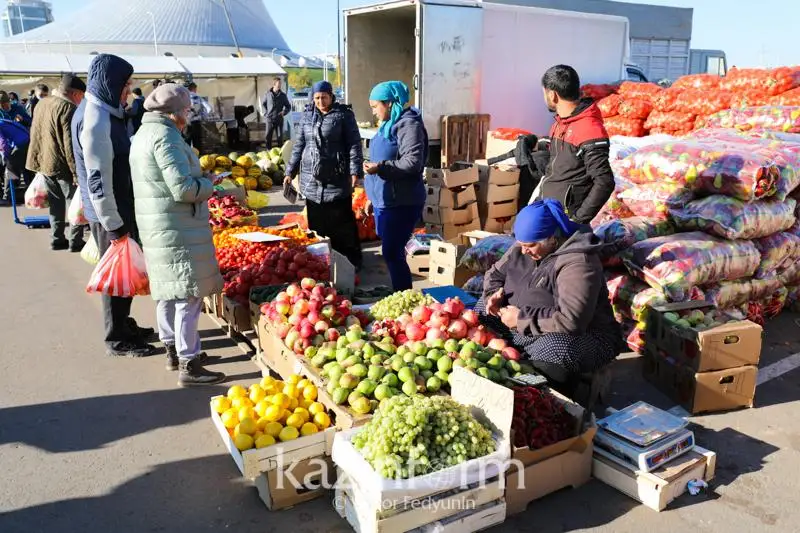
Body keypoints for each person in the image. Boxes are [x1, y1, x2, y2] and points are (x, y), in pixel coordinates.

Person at [477, 199, 624, 400]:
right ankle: (512, 361)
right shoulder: (523, 247)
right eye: (521, 244)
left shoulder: (578, 263)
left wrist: (521, 319)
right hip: (524, 324)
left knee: (555, 349)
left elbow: (570, 320)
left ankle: (546, 396)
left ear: (552, 239)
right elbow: (494, 275)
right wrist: (492, 296)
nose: (523, 251)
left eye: (530, 246)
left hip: (581, 335)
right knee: (480, 308)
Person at [130, 84, 226, 386]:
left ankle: (172, 350)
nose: (188, 115)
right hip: (177, 227)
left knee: (167, 290)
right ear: (173, 113)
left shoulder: (143, 133)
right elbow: (183, 189)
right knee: (188, 293)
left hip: (159, 225)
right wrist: (208, 184)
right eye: (186, 110)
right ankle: (189, 363)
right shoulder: (166, 138)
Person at [73, 53, 156, 358]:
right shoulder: (95, 119)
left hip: (117, 206)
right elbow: (97, 179)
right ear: (110, 83)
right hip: (110, 212)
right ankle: (117, 338)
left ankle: (124, 323)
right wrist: (114, 225)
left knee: (125, 272)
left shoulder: (103, 110)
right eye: (126, 84)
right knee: (115, 275)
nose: (128, 91)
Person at [285, 81, 363, 268]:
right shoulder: (307, 116)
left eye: (324, 97)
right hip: (311, 179)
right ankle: (323, 263)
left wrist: (355, 171)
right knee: (318, 224)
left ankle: (350, 262)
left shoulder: (343, 115)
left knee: (341, 223)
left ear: (331, 96)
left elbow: (354, 144)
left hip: (336, 177)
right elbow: (299, 145)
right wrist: (290, 171)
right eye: (317, 98)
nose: (321, 101)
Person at [530, 65, 615, 224]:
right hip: (548, 210)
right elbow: (561, 164)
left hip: (565, 219)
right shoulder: (559, 123)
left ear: (552, 95)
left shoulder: (589, 128)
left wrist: (577, 221)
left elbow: (604, 182)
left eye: (544, 93)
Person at [363, 81, 427, 290]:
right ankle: (400, 294)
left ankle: (404, 296)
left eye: (375, 106)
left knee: (392, 252)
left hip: (401, 201)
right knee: (391, 252)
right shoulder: (389, 123)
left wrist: (379, 168)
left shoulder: (409, 125)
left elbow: (412, 162)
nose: (373, 112)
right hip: (385, 199)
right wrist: (372, 197)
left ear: (389, 103)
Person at [26, 74, 87, 251]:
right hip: (63, 165)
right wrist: (76, 172)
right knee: (75, 203)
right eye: (81, 96)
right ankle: (75, 241)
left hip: (45, 162)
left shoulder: (42, 103)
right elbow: (70, 144)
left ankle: (57, 238)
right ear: (75, 94)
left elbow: (35, 134)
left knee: (55, 203)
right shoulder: (68, 108)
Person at [0, 118, 30, 206]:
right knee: (26, 168)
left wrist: (7, 158)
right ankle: (30, 194)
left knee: (10, 169)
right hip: (27, 140)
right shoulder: (2, 121)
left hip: (21, 143)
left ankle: (7, 198)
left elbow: (3, 144)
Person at [263, 77, 291, 149]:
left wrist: (284, 112)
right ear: (274, 84)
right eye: (278, 84)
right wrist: (266, 113)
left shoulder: (283, 95)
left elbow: (288, 106)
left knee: (279, 138)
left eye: (280, 83)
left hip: (279, 119)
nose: (280, 85)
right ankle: (268, 151)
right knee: (268, 137)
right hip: (269, 119)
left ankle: (280, 152)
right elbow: (264, 104)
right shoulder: (268, 94)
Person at [186, 81, 212, 147]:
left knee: (187, 142)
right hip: (197, 122)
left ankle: (187, 153)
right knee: (197, 142)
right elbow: (209, 108)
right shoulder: (199, 98)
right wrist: (203, 116)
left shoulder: (184, 98)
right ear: (194, 89)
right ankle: (197, 153)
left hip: (187, 123)